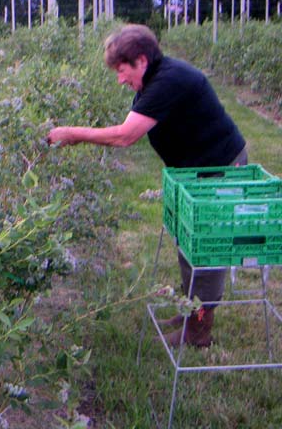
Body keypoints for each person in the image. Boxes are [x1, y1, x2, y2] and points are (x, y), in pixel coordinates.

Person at [48, 24, 247, 348]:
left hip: (220, 170)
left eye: (122, 70)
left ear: (141, 60)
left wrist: (72, 134)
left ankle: (199, 332)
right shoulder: (155, 78)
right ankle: (190, 312)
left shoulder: (167, 81)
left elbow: (125, 135)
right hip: (196, 173)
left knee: (207, 253)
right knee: (189, 246)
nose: (120, 79)